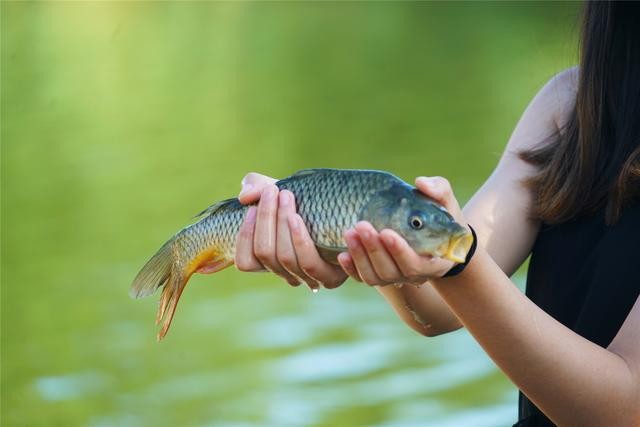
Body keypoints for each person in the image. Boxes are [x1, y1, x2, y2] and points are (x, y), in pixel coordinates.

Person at [232, 2, 639, 425]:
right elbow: (435, 307)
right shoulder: (569, 109)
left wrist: (458, 268)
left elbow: (623, 412)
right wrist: (373, 248)